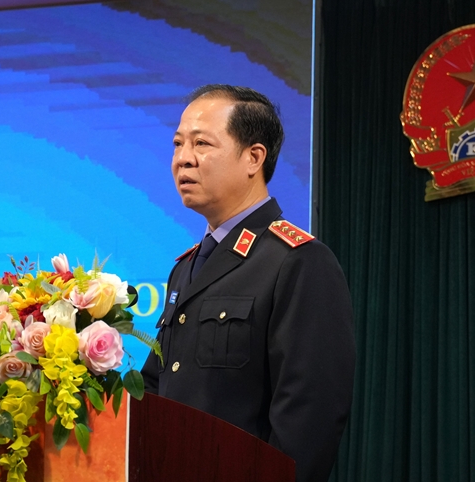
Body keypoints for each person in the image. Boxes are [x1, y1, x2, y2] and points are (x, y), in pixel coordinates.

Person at [141, 85, 356, 482]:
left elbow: (310, 416)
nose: (183, 158)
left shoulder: (298, 261)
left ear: (254, 157)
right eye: (178, 144)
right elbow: (156, 386)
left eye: (201, 143)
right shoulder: (185, 268)